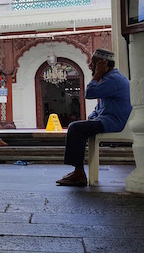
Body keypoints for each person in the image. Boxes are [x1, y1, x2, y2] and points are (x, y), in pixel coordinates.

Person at [56, 48, 132, 186]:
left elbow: (89, 93)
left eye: (94, 63)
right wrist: (92, 117)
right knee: (79, 126)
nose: (90, 66)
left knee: (75, 128)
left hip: (114, 123)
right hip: (107, 120)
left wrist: (96, 75)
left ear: (104, 65)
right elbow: (100, 108)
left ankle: (79, 173)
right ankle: (77, 171)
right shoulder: (110, 79)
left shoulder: (113, 80)